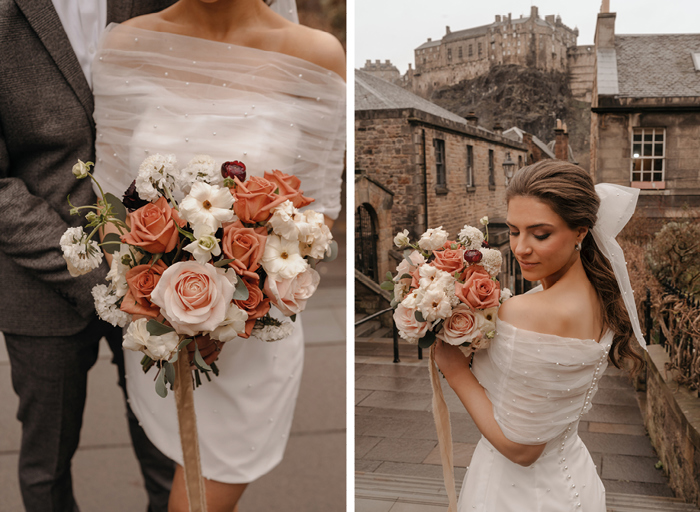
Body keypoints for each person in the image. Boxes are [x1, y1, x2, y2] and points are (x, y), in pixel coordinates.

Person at [90, 0, 346, 510]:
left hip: (254, 328)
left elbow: (318, 219)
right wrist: (168, 303)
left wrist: (235, 306)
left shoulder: (316, 54)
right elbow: (112, 204)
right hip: (161, 319)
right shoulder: (125, 44)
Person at [0, 1, 179, 511]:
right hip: (38, 287)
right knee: (47, 463)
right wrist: (94, 273)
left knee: (169, 455)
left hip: (160, 274)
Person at [434, 160, 646, 511]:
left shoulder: (529, 311)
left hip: (517, 495)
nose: (520, 248)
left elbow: (522, 450)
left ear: (580, 231)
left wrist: (455, 369)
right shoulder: (598, 294)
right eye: (514, 231)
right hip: (572, 479)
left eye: (540, 234)